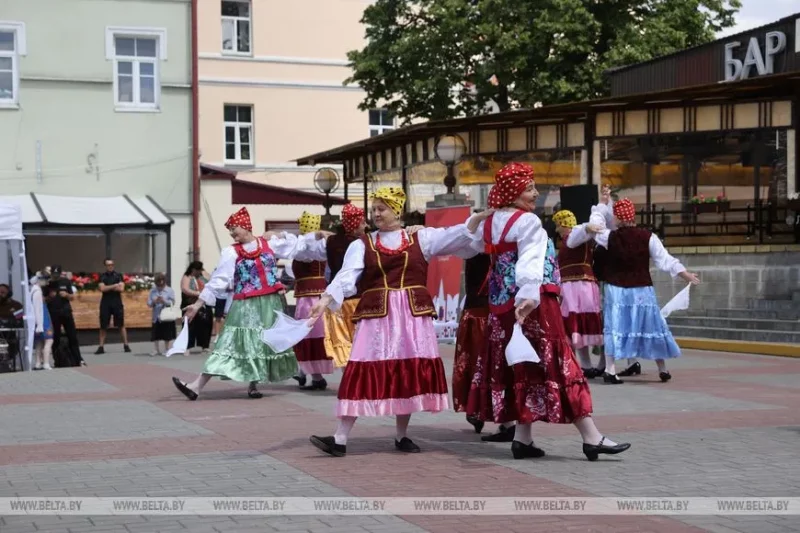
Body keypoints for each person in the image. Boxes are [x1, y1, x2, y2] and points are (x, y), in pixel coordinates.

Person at [306, 187, 488, 457]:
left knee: (408, 370)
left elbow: (456, 235)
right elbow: (346, 276)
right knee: (360, 368)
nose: (376, 213)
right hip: (377, 317)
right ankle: (339, 437)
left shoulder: (421, 238)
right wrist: (324, 300)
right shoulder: (362, 244)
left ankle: (402, 435)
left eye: (382, 208)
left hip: (411, 317)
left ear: (397, 210)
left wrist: (481, 217)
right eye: (375, 209)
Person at [468, 162, 630, 461]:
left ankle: (522, 437)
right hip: (535, 303)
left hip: (501, 307)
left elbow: (468, 243)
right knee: (556, 361)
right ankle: (591, 436)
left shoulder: (490, 224)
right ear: (514, 193)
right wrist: (528, 294)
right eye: (530, 188)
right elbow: (530, 260)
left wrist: (475, 219)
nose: (535, 193)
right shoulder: (527, 222)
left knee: (523, 365)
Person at [568, 190, 701, 383]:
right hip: (642, 289)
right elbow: (666, 260)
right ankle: (662, 368)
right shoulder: (648, 237)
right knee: (651, 326)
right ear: (633, 216)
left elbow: (595, 225)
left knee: (615, 327)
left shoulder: (609, 237)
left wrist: (601, 205)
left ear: (618, 218)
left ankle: (611, 370)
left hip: (617, 289)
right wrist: (685, 274)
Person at [171, 207, 298, 400]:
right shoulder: (231, 252)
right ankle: (196, 386)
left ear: (246, 226)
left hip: (270, 303)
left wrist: (280, 233)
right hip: (246, 305)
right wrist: (197, 304)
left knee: (263, 343)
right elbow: (219, 280)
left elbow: (299, 246)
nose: (231, 233)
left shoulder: (269, 244)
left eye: (234, 228)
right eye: (229, 229)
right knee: (228, 343)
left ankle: (254, 385)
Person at [292, 203, 367, 370]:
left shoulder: (330, 242)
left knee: (342, 340)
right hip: (356, 299)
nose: (366, 225)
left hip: (334, 300)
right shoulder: (364, 243)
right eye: (362, 222)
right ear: (355, 224)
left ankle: (348, 379)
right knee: (359, 342)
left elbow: (306, 254)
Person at [552, 209, 604, 378]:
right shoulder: (568, 240)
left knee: (581, 324)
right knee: (576, 326)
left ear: (563, 224)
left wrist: (588, 227)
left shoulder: (575, 236)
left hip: (580, 285)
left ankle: (602, 363)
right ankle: (587, 366)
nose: (556, 230)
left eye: (558, 225)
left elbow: (582, 233)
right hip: (572, 285)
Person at [289, 211, 334, 390]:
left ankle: (312, 374)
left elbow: (303, 253)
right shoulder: (321, 245)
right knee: (312, 335)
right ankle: (307, 372)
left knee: (307, 334)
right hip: (317, 295)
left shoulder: (306, 248)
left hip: (309, 298)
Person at [47, 266, 85, 366]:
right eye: (53, 274)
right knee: (56, 337)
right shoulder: (48, 283)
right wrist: (50, 297)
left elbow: (72, 297)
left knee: (72, 336)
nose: (55, 276)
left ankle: (78, 359)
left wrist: (67, 295)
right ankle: (57, 360)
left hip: (66, 312)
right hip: (54, 313)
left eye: (57, 274)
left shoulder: (66, 282)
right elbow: (44, 299)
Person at [95, 258, 131, 354]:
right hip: (105, 303)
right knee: (103, 325)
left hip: (117, 303)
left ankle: (126, 345)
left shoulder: (119, 275)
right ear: (105, 266)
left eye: (111, 265)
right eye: (108, 265)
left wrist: (109, 287)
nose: (110, 266)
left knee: (121, 324)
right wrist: (115, 285)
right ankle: (101, 347)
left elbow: (121, 289)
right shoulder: (102, 276)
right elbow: (102, 288)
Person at [180, 261, 213, 355]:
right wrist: (197, 293)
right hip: (190, 302)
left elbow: (211, 281)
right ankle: (187, 347)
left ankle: (205, 346)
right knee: (189, 325)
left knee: (206, 324)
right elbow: (185, 289)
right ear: (193, 269)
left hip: (204, 303)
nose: (199, 272)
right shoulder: (187, 277)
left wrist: (204, 272)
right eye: (198, 270)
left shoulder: (202, 275)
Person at [147, 273, 177, 356]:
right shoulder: (152, 291)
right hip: (156, 315)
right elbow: (148, 303)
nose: (160, 286)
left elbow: (172, 302)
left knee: (167, 333)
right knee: (155, 333)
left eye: (162, 284)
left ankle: (167, 349)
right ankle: (156, 349)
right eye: (158, 284)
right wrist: (154, 301)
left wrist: (164, 301)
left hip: (166, 315)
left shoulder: (169, 290)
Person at [30, 272, 54, 370]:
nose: (48, 283)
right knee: (49, 340)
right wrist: (39, 325)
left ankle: (38, 363)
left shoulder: (34, 290)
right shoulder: (37, 292)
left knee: (39, 342)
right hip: (42, 320)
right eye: (47, 281)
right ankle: (46, 363)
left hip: (40, 320)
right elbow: (38, 309)